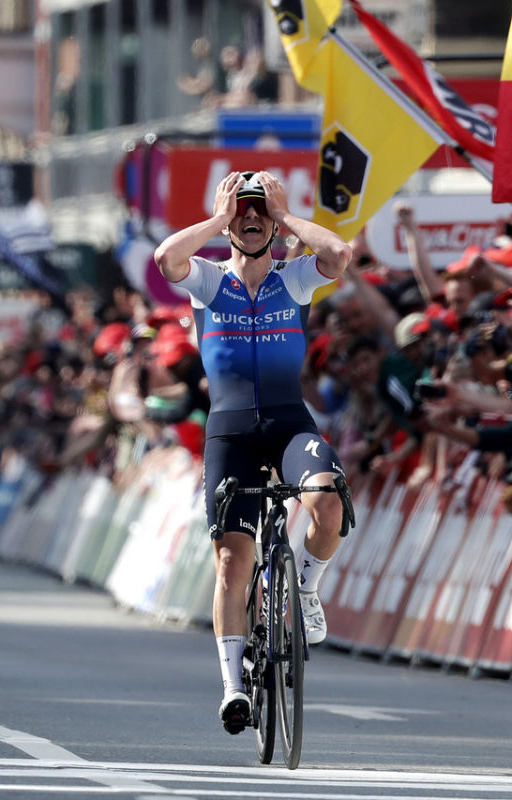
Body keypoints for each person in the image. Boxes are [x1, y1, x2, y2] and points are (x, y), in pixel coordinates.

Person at [153, 170, 354, 734]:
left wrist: (286, 214)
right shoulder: (210, 281)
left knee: (329, 501)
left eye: (259, 212)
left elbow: (338, 254)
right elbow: (167, 257)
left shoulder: (294, 280)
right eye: (243, 212)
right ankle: (233, 687)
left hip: (290, 424)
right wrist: (218, 220)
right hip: (231, 433)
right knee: (232, 560)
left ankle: (307, 590)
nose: (251, 218)